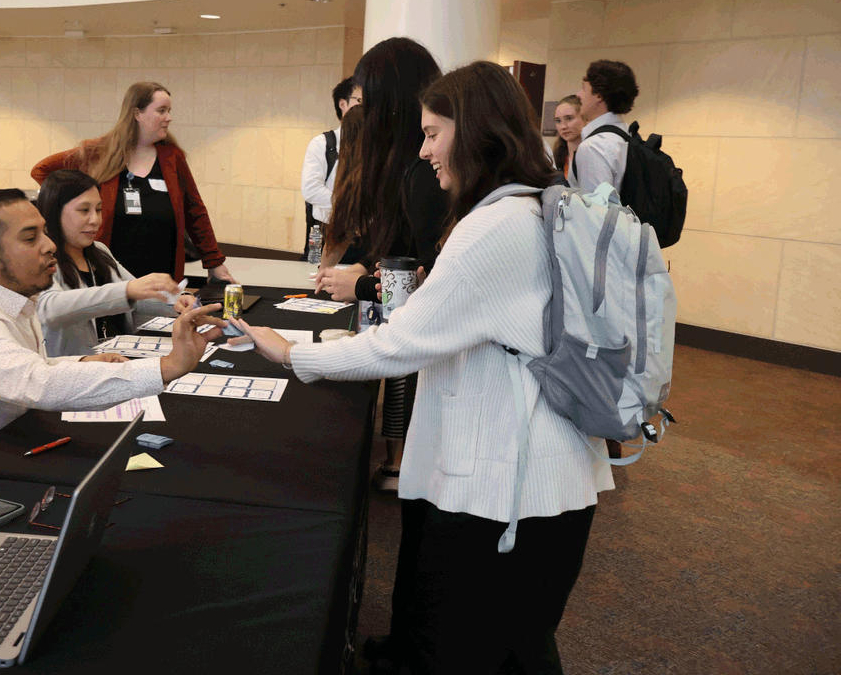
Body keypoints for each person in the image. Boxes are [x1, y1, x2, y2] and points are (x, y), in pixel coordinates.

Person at [238, 60, 613, 675]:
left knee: (482, 648)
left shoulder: (492, 227)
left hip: (508, 487)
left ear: (473, 132)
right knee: (517, 642)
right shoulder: (539, 206)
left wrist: (292, 354)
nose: (424, 149)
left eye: (434, 132)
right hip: (544, 473)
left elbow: (402, 343)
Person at [0, 189, 223, 475]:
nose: (49, 245)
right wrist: (167, 366)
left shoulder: (5, 292)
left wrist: (81, 362)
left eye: (44, 233)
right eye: (30, 238)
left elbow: (20, 367)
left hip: (2, 447)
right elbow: (35, 383)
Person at [316, 38, 448, 494]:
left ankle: (402, 463)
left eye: (366, 98)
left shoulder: (423, 174)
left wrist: (365, 286)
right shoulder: (408, 167)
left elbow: (433, 282)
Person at [31, 82, 235, 283]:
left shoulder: (172, 157)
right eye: (161, 111)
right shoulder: (98, 152)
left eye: (169, 111)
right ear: (137, 113)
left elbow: (195, 211)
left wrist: (213, 261)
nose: (169, 118)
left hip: (164, 274)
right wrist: (67, 207)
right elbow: (42, 170)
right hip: (111, 274)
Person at [35, 168, 197, 358]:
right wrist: (127, 290)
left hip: (120, 360)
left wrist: (177, 302)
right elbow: (50, 309)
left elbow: (137, 298)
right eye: (84, 210)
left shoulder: (100, 251)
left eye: (98, 210)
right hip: (77, 369)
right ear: (55, 212)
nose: (95, 220)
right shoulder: (43, 258)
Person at [300, 76, 361, 261]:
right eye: (360, 102)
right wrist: (350, 209)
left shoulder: (378, 148)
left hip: (364, 239)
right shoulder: (324, 144)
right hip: (326, 234)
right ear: (343, 104)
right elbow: (310, 189)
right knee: (320, 283)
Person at [570, 59, 638, 192]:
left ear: (599, 96)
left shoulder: (594, 147)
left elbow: (595, 209)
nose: (578, 94)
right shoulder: (627, 134)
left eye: (584, 88)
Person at [551, 94, 584, 182]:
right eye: (558, 121)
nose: (563, 126)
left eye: (569, 118)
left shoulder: (592, 152)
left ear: (584, 118)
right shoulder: (556, 156)